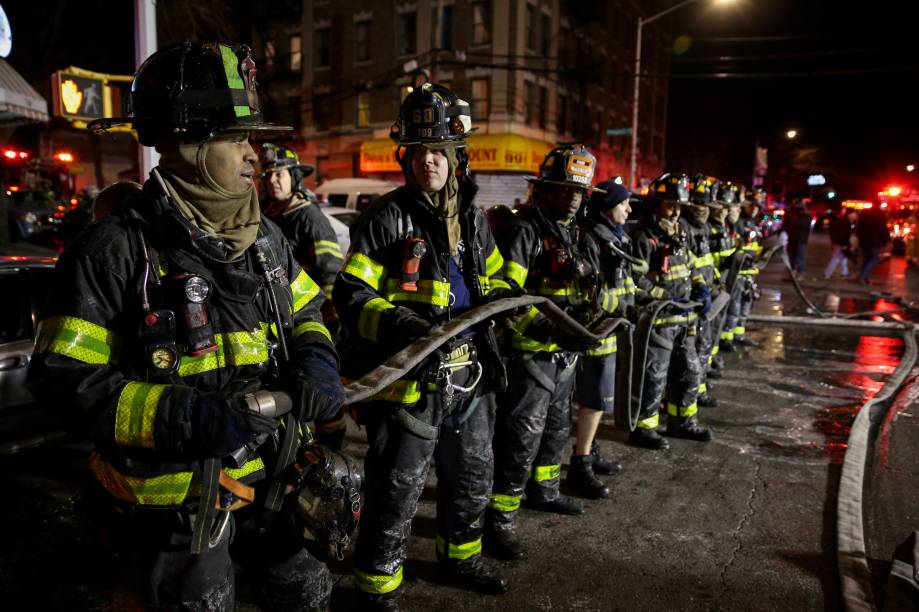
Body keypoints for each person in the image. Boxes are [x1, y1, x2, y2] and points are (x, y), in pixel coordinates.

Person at [26, 43, 346, 610]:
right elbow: (62, 380)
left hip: (272, 477)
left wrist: (316, 360)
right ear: (188, 145)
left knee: (302, 590)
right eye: (235, 140)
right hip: (174, 512)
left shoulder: (266, 238)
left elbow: (305, 314)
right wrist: (185, 416)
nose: (254, 157)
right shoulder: (115, 251)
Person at [333, 83, 512, 610]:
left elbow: (495, 280)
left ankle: (460, 559)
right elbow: (351, 294)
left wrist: (509, 303)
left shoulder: (475, 220)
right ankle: (377, 586)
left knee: (473, 474)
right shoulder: (386, 218)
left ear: (458, 157)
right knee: (397, 487)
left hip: (471, 376)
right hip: (412, 381)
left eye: (439, 152)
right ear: (405, 158)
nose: (429, 162)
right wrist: (398, 324)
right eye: (419, 152)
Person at [485, 144, 603, 559]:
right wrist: (546, 330)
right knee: (520, 439)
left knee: (555, 430)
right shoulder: (525, 231)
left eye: (578, 191)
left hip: (562, 355)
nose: (572, 197)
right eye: (563, 189)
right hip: (528, 355)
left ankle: (546, 490)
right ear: (543, 191)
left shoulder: (571, 234)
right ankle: (499, 520)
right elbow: (506, 295)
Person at [629, 173, 711, 450]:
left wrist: (701, 287)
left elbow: (691, 267)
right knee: (654, 377)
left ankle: (682, 422)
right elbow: (635, 281)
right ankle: (645, 428)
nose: (676, 212)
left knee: (689, 372)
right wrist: (667, 297)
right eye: (670, 205)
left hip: (684, 319)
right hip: (659, 321)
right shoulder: (644, 237)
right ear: (655, 205)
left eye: (679, 206)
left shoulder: (681, 233)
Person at [566, 179, 635, 499]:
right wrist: (623, 307)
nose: (629, 209)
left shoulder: (613, 237)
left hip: (608, 331)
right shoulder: (595, 239)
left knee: (596, 401)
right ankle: (581, 464)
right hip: (596, 333)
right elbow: (588, 295)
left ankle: (590, 450)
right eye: (624, 204)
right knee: (593, 402)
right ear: (609, 208)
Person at [259, 143, 343, 296]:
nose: (271, 180)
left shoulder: (310, 217)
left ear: (294, 176)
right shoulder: (265, 215)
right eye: (268, 175)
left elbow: (329, 272)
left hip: (302, 307)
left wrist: (328, 313)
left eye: (279, 174)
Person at [682, 175, 722, 408]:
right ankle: (686, 396)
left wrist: (714, 283)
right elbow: (686, 264)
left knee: (704, 345)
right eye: (699, 204)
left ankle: (699, 390)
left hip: (706, 292)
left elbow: (706, 261)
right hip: (690, 299)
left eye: (706, 205)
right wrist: (697, 287)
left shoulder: (704, 227)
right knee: (692, 352)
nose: (703, 209)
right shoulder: (683, 228)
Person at [856, 205, 890, 284]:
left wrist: (860, 238)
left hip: (865, 240)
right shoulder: (879, 215)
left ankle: (863, 276)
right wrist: (887, 239)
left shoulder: (865, 213)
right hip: (875, 241)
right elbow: (882, 228)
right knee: (874, 259)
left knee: (867, 259)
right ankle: (862, 277)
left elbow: (859, 227)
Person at [825, 207, 857, 279]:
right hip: (840, 243)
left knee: (842, 258)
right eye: (854, 214)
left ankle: (845, 272)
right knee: (836, 258)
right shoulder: (846, 222)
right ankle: (827, 273)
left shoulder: (844, 221)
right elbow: (844, 235)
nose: (855, 216)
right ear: (850, 214)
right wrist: (846, 244)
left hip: (839, 242)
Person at [784, 198, 811, 278]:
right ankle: (792, 274)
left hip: (801, 239)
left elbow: (804, 224)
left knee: (800, 257)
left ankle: (800, 273)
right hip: (792, 238)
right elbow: (787, 222)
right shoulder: (792, 212)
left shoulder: (805, 214)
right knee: (791, 257)